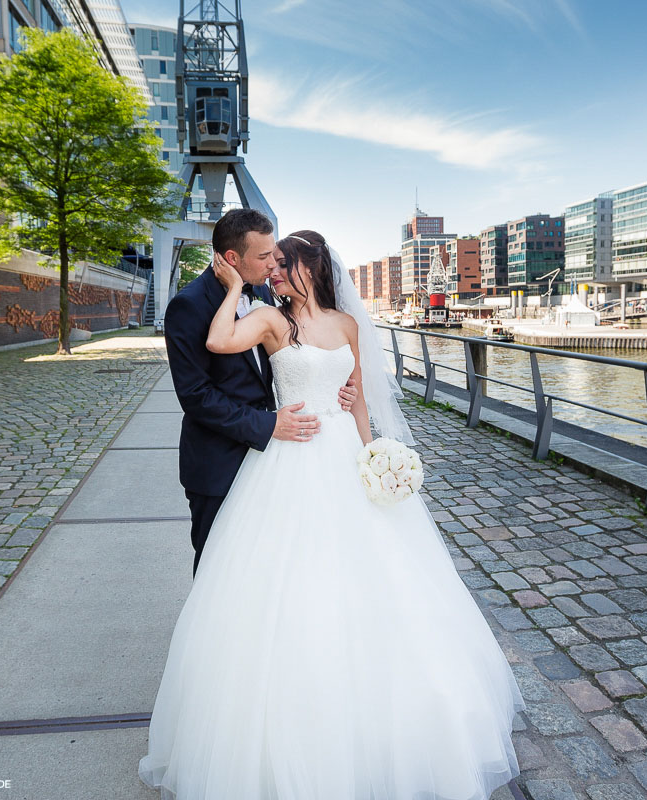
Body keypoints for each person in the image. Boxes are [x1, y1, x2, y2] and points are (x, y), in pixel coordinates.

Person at [140, 229, 525, 799]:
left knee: (378, 580)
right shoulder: (272, 321)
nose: (272, 271)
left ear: (309, 269)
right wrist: (227, 289)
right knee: (286, 582)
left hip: (343, 452)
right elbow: (219, 341)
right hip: (291, 456)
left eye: (282, 263)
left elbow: (360, 396)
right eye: (267, 262)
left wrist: (376, 458)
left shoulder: (346, 326)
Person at [162, 209, 357, 575]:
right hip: (219, 460)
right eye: (265, 257)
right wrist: (268, 425)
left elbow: (305, 350)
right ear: (233, 259)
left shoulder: (269, 294)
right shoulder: (187, 306)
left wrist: (343, 389)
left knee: (275, 565)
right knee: (218, 570)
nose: (273, 265)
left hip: (281, 460)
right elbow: (195, 395)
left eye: (276, 257)